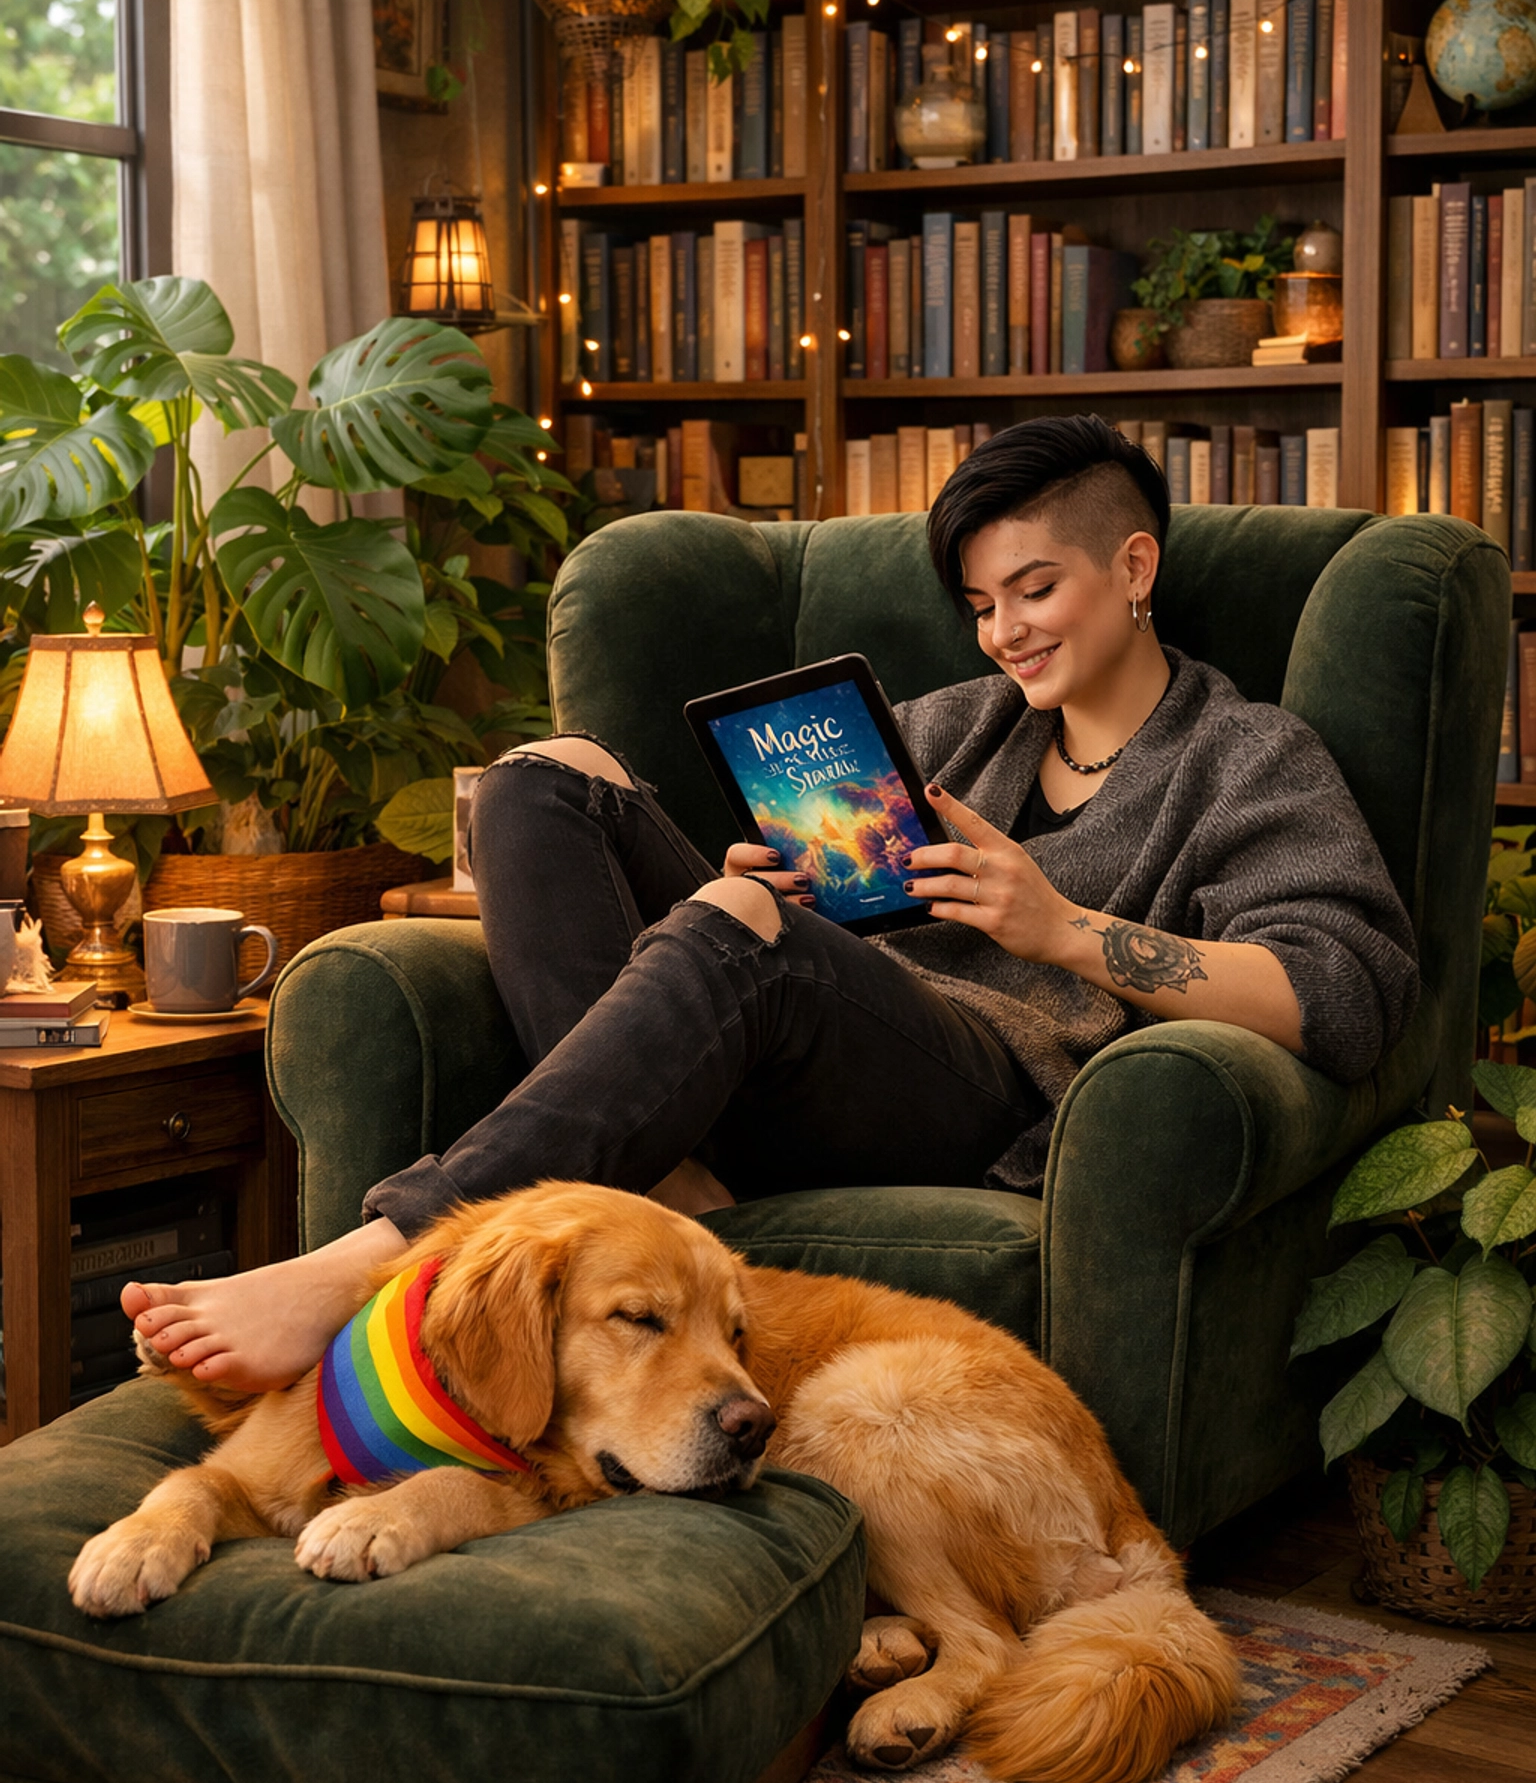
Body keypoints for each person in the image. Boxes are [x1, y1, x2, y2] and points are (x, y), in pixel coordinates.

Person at [126, 414, 1419, 1393]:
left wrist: (1058, 927)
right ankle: (671, 1175)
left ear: (1135, 566)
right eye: (980, 606)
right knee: (541, 781)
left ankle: (387, 1254)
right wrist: (755, 897)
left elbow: (1347, 994)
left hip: (991, 1096)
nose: (1004, 634)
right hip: (815, 1036)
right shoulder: (956, 727)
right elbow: (803, 918)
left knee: (735, 935)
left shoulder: (1246, 758)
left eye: (1036, 590)